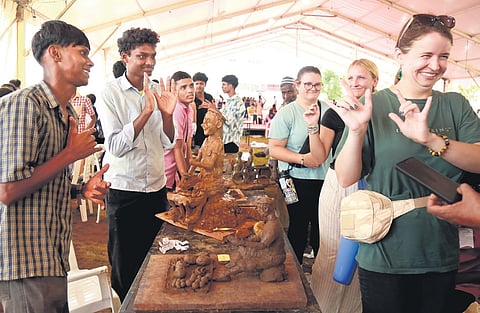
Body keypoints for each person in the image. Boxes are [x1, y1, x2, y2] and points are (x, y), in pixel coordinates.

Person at [331, 14, 480, 313]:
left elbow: (477, 162)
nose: (435, 65)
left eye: (443, 57)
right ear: (399, 56)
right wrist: (357, 130)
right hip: (383, 250)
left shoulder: (454, 104)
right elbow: (347, 178)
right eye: (425, 55)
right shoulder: (375, 105)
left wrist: (433, 140)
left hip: (440, 249)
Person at [0, 20, 110, 312]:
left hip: (51, 253)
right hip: (24, 260)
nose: (90, 62)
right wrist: (70, 155)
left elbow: (43, 181)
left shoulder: (66, 110)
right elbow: (8, 190)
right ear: (55, 53)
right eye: (82, 52)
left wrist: (80, 189)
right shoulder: (25, 104)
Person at [96, 27, 177, 301]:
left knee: (155, 258)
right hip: (124, 190)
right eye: (142, 56)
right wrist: (145, 113)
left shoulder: (157, 91)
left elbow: (168, 141)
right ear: (125, 56)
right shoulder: (110, 93)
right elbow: (116, 147)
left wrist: (166, 115)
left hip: (156, 189)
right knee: (124, 264)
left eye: (152, 56)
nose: (150, 62)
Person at [309, 58, 379, 313]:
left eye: (361, 77)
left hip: (372, 187)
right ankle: (320, 307)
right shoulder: (334, 112)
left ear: (375, 81)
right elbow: (318, 156)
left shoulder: (383, 111)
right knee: (331, 252)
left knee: (361, 257)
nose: (354, 83)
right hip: (339, 185)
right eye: (350, 78)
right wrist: (312, 126)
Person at [268, 66, 329, 264]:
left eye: (317, 84)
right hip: (295, 180)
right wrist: (302, 159)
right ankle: (295, 272)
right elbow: (275, 149)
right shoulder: (286, 114)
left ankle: (321, 276)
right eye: (308, 84)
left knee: (323, 228)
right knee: (298, 226)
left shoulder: (328, 111)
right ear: (298, 85)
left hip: (325, 180)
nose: (313, 88)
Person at [164, 71, 194, 191]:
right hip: (167, 172)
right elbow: (177, 147)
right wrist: (185, 177)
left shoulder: (189, 110)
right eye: (183, 87)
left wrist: (188, 172)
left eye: (191, 86)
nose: (190, 90)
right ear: (175, 91)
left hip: (176, 172)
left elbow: (187, 145)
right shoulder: (177, 110)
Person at [220, 74, 245, 153]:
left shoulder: (237, 102)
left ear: (231, 85)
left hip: (231, 141)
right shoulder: (229, 101)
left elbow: (230, 122)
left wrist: (216, 111)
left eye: (224, 84)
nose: (222, 87)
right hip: (224, 139)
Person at [192, 72, 214, 148]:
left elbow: (214, 113)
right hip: (195, 134)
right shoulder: (191, 98)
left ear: (205, 84)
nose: (199, 86)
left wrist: (211, 107)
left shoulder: (209, 97)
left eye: (201, 83)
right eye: (197, 83)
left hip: (208, 133)